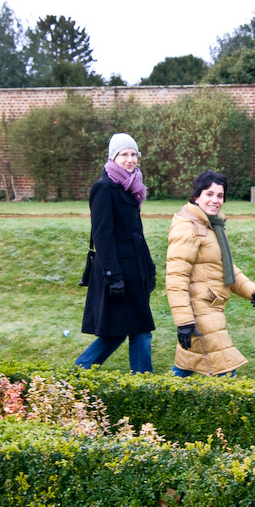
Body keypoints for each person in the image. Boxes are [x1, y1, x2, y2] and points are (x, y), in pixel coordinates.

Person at [165, 170, 255, 377]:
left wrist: (252, 290)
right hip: (200, 310)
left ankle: (159, 401)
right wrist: (184, 321)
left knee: (186, 366)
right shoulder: (188, 227)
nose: (215, 200)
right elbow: (176, 277)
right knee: (226, 367)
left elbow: (225, 266)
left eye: (220, 196)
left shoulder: (213, 225)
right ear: (196, 196)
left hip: (212, 305)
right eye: (209, 194)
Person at [76, 133, 156, 373]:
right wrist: (113, 276)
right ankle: (78, 373)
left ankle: (142, 384)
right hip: (117, 274)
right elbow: (102, 236)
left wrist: (148, 268)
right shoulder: (103, 188)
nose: (130, 159)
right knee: (122, 332)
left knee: (137, 331)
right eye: (124, 154)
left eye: (133, 154)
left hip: (136, 270)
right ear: (113, 157)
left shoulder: (133, 186)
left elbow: (137, 233)